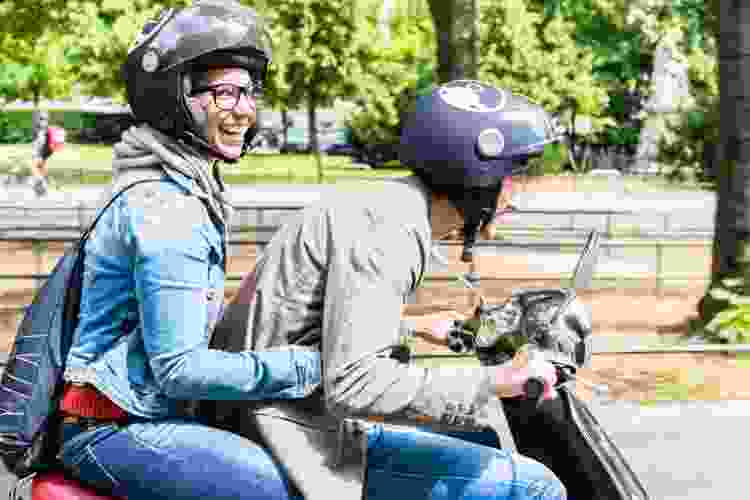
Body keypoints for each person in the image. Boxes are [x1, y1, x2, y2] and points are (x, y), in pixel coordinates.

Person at [205, 80, 567, 500]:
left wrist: (409, 329)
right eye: (513, 177)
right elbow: (354, 385)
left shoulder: (388, 207)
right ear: (477, 175)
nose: (515, 199)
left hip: (279, 412)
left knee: (481, 439)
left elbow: (310, 325)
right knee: (536, 486)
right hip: (288, 434)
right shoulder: (390, 232)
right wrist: (495, 381)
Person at [55, 2, 321, 499]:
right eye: (224, 93)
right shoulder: (168, 208)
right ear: (174, 97)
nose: (244, 109)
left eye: (249, 92)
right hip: (111, 428)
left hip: (139, 414)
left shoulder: (175, 188)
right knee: (272, 486)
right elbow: (180, 369)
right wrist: (312, 366)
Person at [30, 108, 51, 196]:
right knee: (39, 171)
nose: (42, 121)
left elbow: (41, 145)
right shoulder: (40, 131)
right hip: (40, 155)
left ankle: (41, 187)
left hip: (39, 155)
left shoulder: (42, 132)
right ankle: (41, 190)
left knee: (36, 171)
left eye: (43, 119)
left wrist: (39, 155)